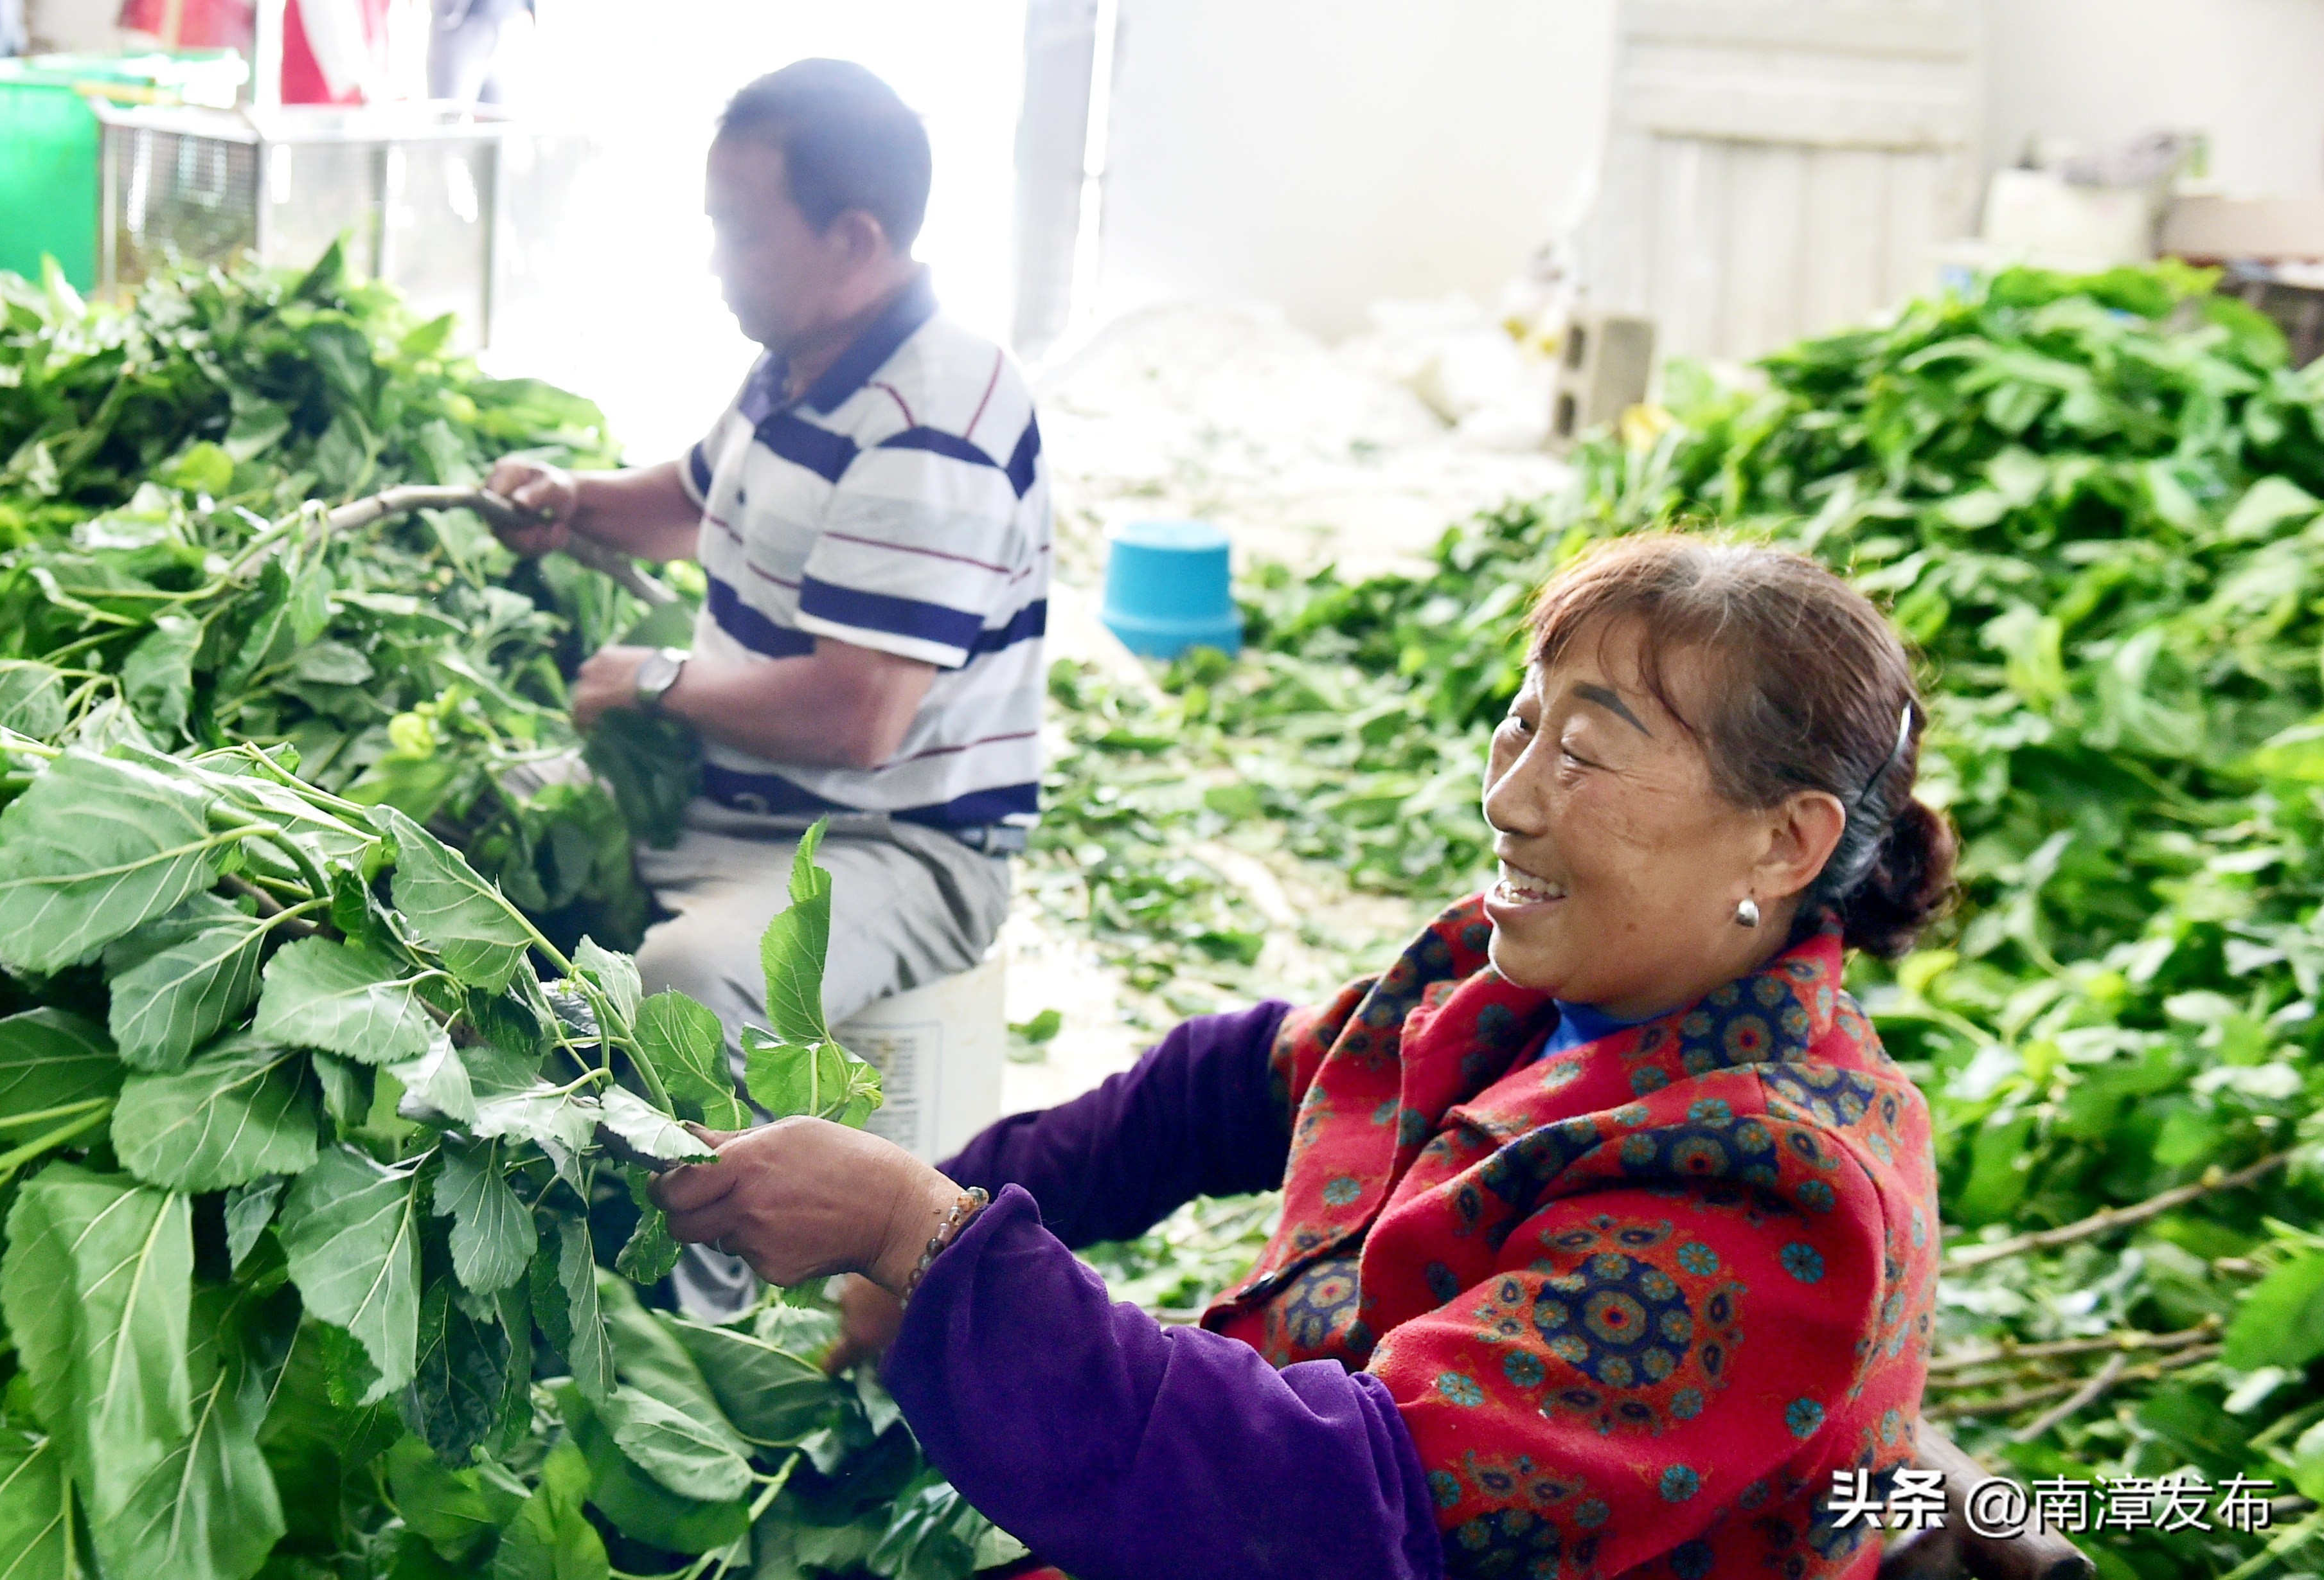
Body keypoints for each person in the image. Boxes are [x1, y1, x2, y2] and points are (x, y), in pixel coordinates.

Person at [650, 534, 1956, 1579]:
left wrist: (928, 1242)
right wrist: (943, 1191)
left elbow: (1337, 1511)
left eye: (1584, 753)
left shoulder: (1769, 1191)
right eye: (1519, 722)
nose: (1506, 798)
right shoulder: (1507, 980)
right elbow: (1219, 1089)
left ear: (1782, 845)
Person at [485, 58, 1046, 1071]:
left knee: (686, 990)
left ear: (854, 240)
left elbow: (859, 716)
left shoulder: (930, 424)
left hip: (888, 845)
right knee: (467, 825)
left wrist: (656, 684)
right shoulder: (805, 356)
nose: (716, 262)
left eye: (740, 232)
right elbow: (700, 502)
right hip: (725, 795)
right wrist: (573, 504)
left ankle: (702, 1231)